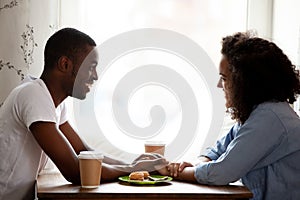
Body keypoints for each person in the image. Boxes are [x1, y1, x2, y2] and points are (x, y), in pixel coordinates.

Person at [0, 28, 166, 200]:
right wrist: (134, 169)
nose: (95, 76)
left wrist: (132, 164)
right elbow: (76, 171)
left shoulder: (55, 104)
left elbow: (83, 151)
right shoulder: (33, 94)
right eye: (91, 67)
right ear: (65, 64)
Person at [157, 31, 300, 200]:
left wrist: (173, 173)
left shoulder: (270, 118)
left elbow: (222, 172)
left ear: (245, 83)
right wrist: (194, 164)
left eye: (224, 78)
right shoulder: (257, 114)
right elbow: (217, 151)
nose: (219, 85)